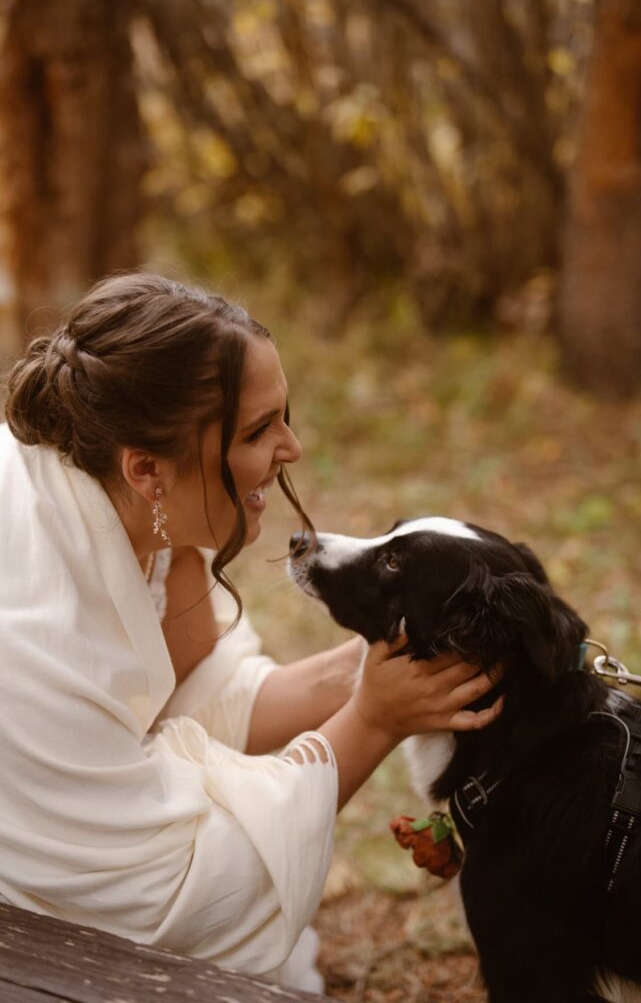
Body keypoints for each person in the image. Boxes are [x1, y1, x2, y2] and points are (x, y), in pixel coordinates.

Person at [0, 273, 502, 990]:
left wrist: (369, 667)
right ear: (147, 469)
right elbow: (175, 899)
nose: (292, 448)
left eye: (283, 417)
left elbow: (207, 695)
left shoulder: (139, 501)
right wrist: (372, 719)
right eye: (259, 430)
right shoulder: (34, 635)